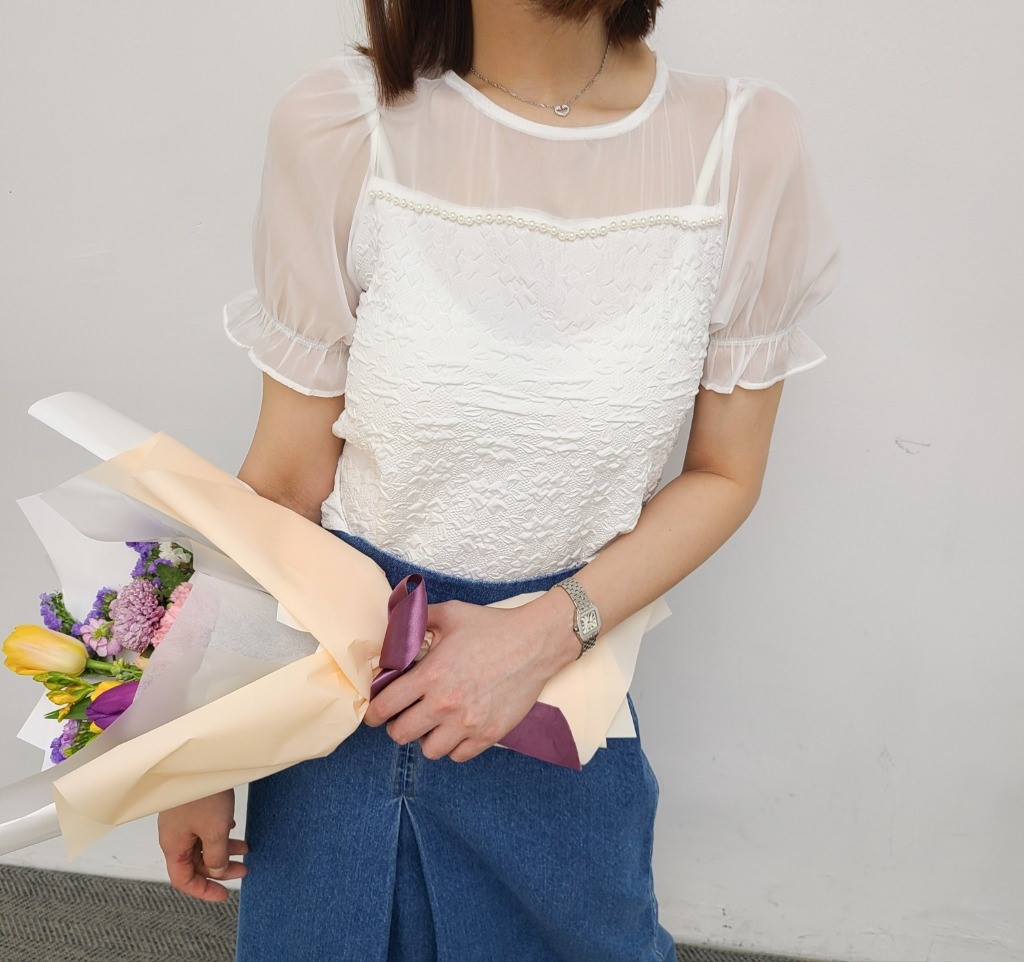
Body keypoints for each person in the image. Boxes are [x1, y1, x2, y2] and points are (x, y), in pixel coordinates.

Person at [157, 0, 841, 958]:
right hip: (336, 706)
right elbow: (283, 475)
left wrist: (542, 635)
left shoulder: (743, 144)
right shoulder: (342, 124)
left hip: (561, 696)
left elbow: (726, 471)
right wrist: (194, 741)